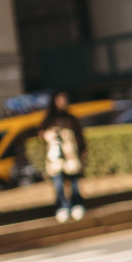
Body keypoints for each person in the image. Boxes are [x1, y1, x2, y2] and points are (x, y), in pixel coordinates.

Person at [40, 91, 86, 223]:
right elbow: (42, 135)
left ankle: (77, 205)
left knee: (74, 183)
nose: (62, 102)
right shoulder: (49, 120)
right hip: (55, 158)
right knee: (58, 184)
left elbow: (79, 137)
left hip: (71, 156)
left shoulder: (70, 119)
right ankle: (62, 207)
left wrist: (82, 152)